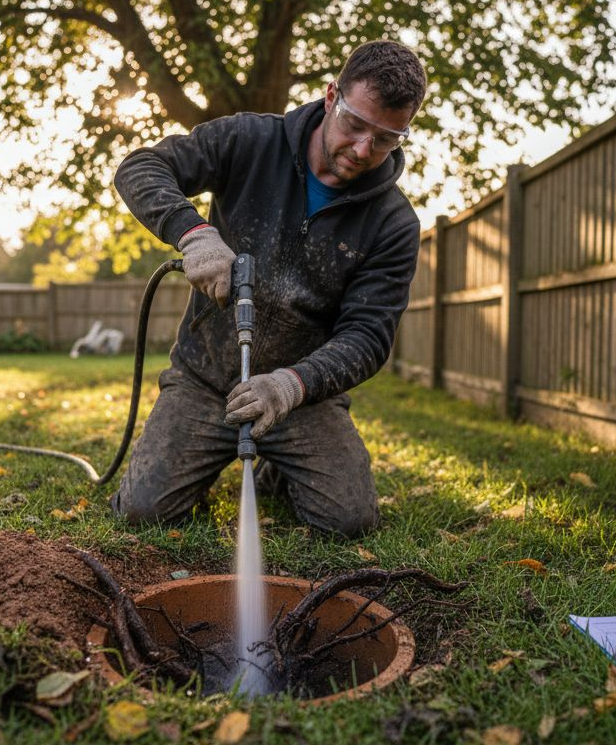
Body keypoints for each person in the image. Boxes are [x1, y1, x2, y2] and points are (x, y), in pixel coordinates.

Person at [111, 40, 427, 537]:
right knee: (141, 513)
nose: (364, 150)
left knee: (350, 521)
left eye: (386, 138)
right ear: (331, 97)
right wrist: (194, 234)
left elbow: (368, 337)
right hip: (204, 379)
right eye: (355, 125)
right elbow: (139, 167)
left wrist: (290, 386)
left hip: (300, 397)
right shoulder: (251, 140)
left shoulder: (393, 224)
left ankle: (279, 467)